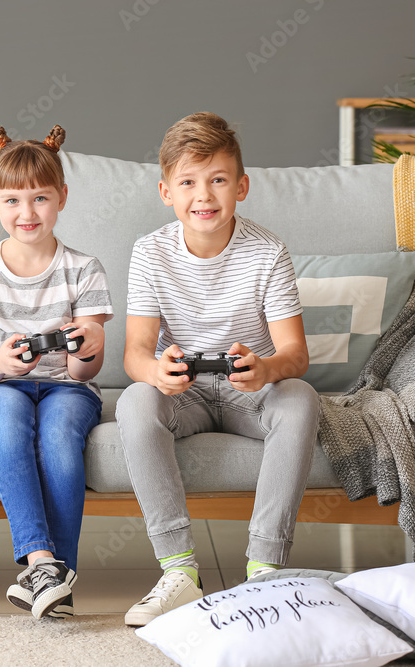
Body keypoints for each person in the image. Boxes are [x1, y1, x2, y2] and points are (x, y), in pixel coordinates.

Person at [117, 112, 319, 626]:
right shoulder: (149, 253)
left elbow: (295, 355)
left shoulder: (268, 252)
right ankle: (179, 570)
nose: (203, 196)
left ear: (241, 186)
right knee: (135, 398)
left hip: (248, 391)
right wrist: (156, 372)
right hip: (184, 394)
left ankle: (265, 570)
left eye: (218, 180)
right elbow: (135, 353)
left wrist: (266, 368)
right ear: (166, 191)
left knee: (301, 397)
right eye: (188, 182)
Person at [0, 124, 113, 620]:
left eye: (40, 198)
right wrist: (5, 361)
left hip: (65, 385)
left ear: (62, 197)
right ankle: (43, 563)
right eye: (13, 201)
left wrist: (87, 346)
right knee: (8, 421)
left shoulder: (84, 269)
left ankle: (54, 581)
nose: (27, 213)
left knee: (61, 436)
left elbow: (85, 373)